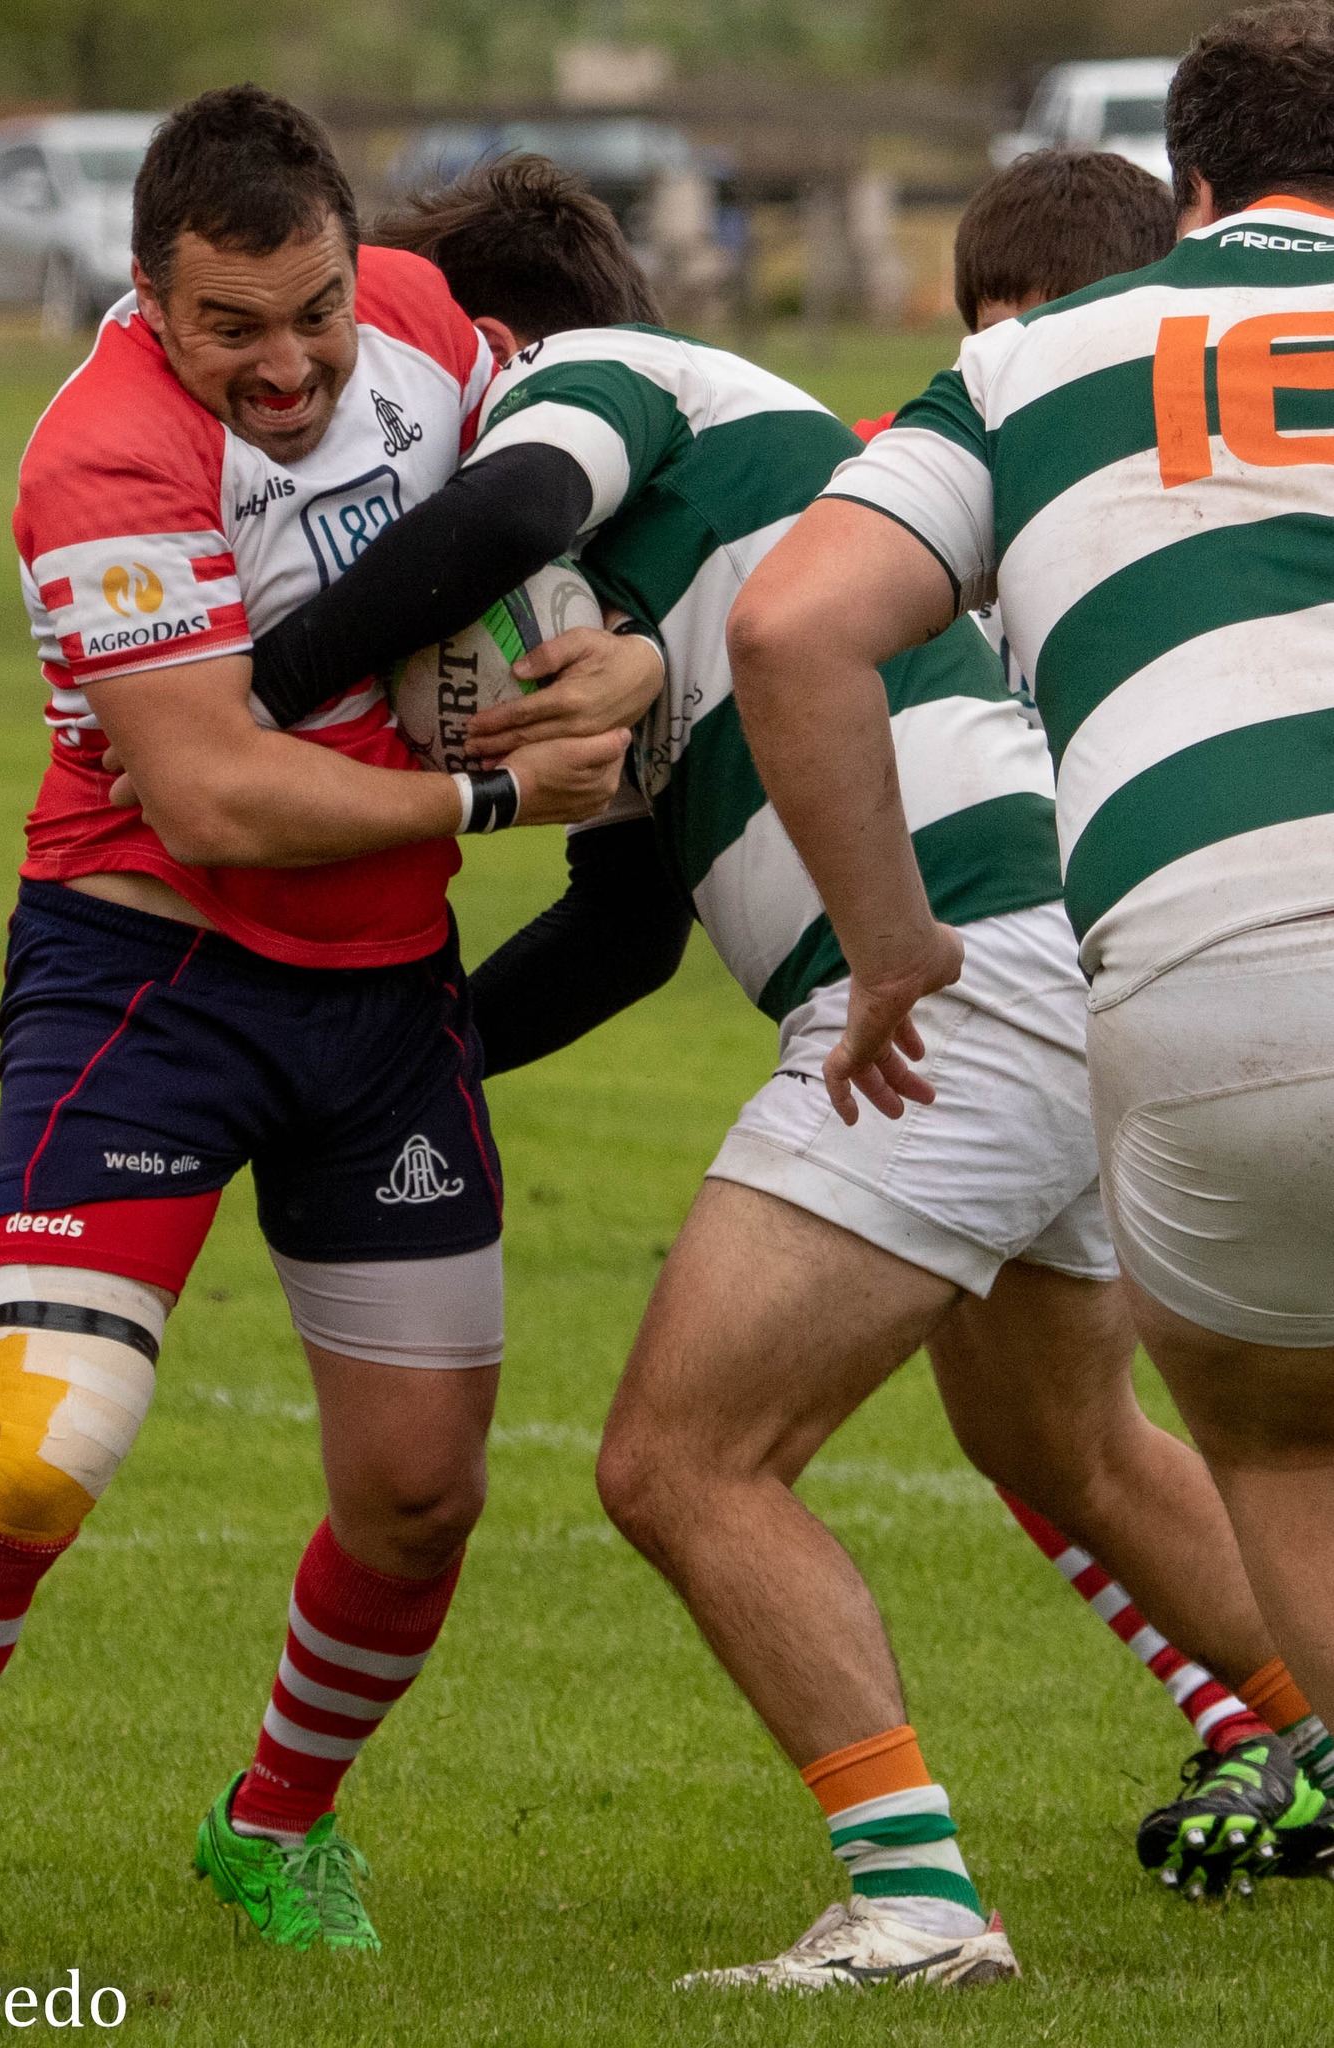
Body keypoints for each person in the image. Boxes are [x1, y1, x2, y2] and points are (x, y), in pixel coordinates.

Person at [219, 151, 1331, 1991]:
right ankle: (1311, 1735)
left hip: (948, 981)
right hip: (1050, 963)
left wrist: (254, 695)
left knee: (682, 1460)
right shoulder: (637, 555)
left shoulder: (597, 377)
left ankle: (918, 1905)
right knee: (1056, 1440)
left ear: (475, 334)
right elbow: (625, 927)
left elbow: (503, 507)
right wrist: (402, 1072)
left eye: (393, 347)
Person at [0, 87, 629, 1978]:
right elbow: (214, 798)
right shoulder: (103, 458)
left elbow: (599, 476)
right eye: (233, 327)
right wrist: (496, 798)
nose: (290, 364)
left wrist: (618, 649)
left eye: (315, 310)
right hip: (148, 979)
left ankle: (274, 1827)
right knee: (37, 1452)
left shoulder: (425, 320)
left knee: (420, 1496)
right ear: (147, 296)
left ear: (354, 263)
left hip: (384, 998)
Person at [725, 0, 1334, 1938]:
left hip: (1204, 984)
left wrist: (893, 946)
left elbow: (788, 628)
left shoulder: (1036, 357)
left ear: (1190, 189)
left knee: (1277, 1437)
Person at [850, 147, 1334, 1818]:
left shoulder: (1087, 418)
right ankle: (1267, 1731)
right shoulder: (959, 449)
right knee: (1041, 1420)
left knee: (1224, 1434)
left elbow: (791, 623)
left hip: (1157, 982)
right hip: (1125, 989)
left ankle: (1281, 1738)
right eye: (995, 321)